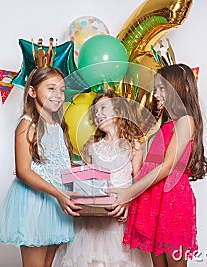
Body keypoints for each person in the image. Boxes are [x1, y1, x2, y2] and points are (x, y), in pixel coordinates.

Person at [108, 64, 207, 267]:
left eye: (162, 88)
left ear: (183, 88)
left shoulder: (186, 121)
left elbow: (166, 167)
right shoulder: (165, 125)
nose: (156, 94)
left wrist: (128, 192)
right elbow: (149, 167)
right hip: (154, 200)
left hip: (173, 200)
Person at [0, 66, 81, 267]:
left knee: (48, 264)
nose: (58, 95)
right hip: (37, 202)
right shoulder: (28, 124)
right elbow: (23, 170)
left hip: (57, 203)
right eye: (51, 88)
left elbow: (59, 163)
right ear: (32, 91)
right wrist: (57, 193)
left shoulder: (58, 126)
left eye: (61, 90)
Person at [53, 90, 152, 266]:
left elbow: (138, 181)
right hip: (92, 221)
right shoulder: (92, 146)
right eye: (95, 112)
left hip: (118, 218)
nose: (98, 114)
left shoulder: (134, 145)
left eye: (103, 108)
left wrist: (128, 201)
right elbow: (85, 181)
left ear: (118, 111)